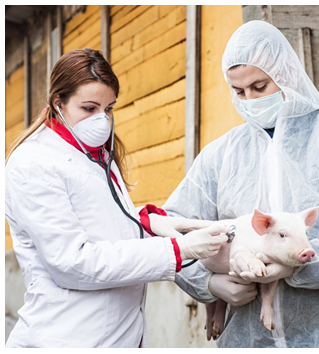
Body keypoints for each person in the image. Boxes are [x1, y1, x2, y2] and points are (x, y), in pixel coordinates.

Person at [163, 21, 319, 348]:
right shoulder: (221, 155)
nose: (249, 100)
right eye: (239, 91)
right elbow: (170, 228)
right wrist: (210, 283)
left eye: (260, 87)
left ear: (287, 71)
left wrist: (297, 265)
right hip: (249, 339)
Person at [4, 48, 229, 348]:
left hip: (115, 337)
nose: (102, 119)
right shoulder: (34, 163)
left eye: (108, 108)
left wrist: (148, 222)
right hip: (67, 339)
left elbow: (101, 222)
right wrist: (177, 250)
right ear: (58, 102)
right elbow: (73, 263)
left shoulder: (96, 156)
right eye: (89, 108)